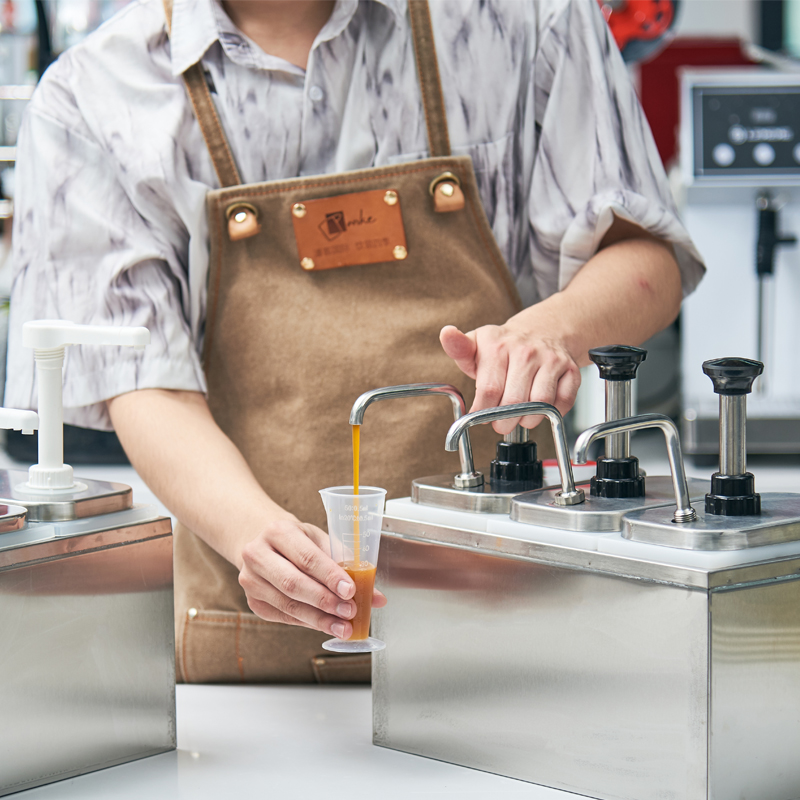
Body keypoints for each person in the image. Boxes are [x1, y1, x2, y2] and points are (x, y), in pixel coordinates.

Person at [6, 0, 704, 683]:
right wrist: (258, 538)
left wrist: (554, 329)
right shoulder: (94, 97)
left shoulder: (525, 19)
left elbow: (647, 258)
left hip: (513, 644)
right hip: (257, 655)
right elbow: (143, 379)